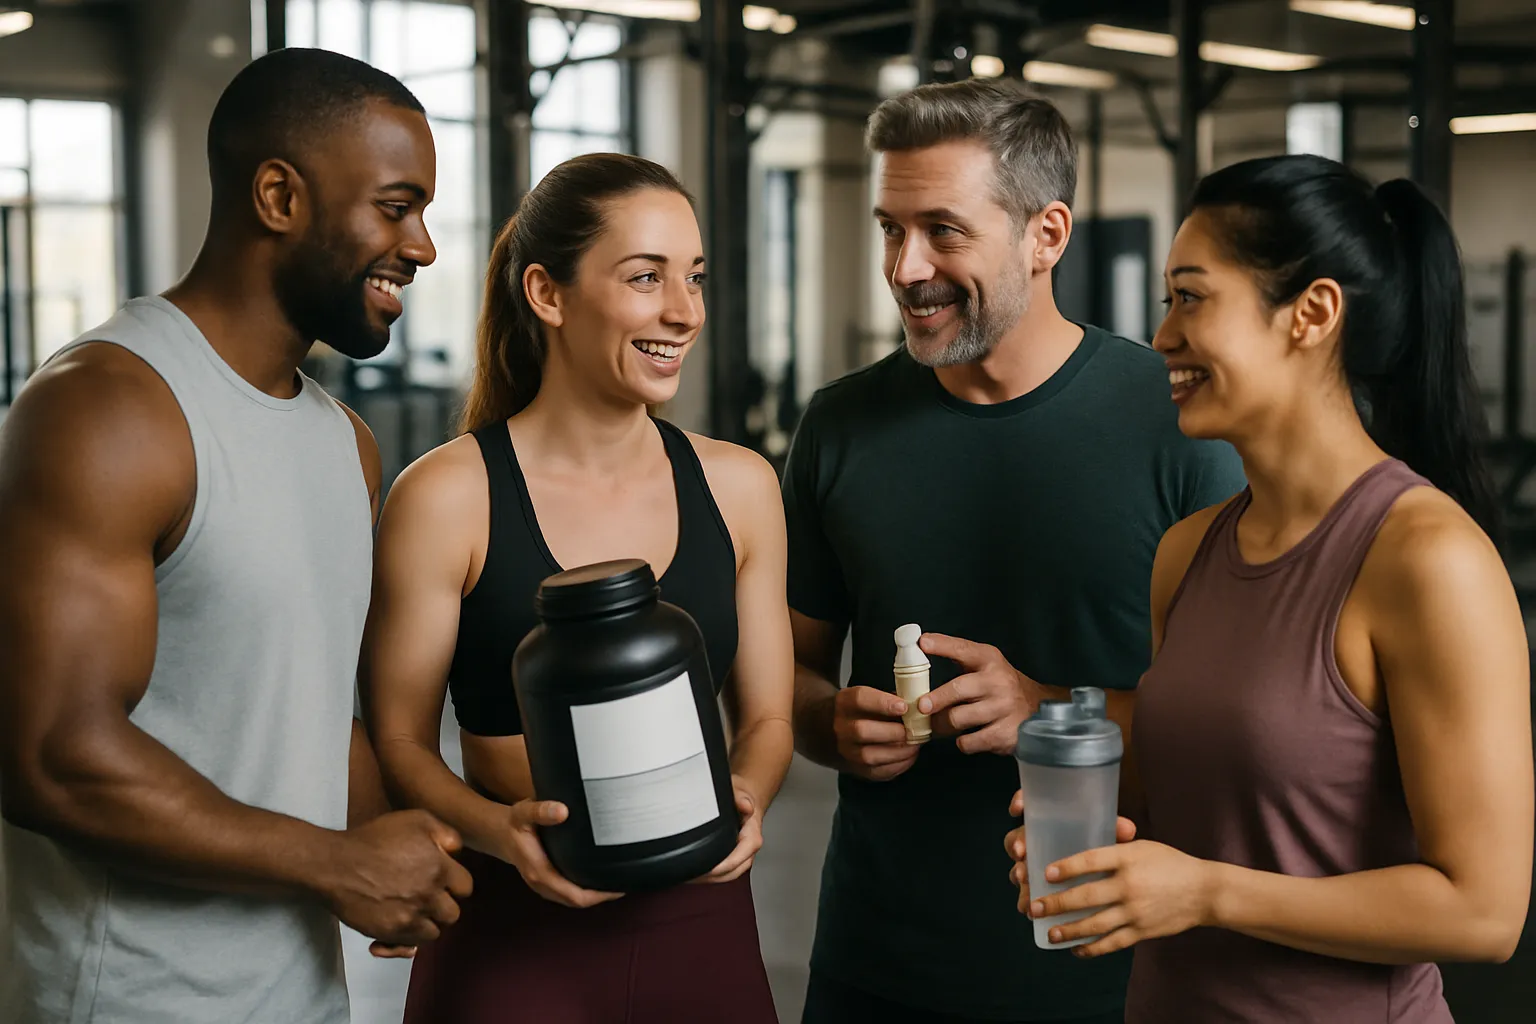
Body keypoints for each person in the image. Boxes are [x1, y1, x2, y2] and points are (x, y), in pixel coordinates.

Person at [0, 48, 485, 1024]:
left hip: (301, 995)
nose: (424, 246)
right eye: (396, 206)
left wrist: (411, 841)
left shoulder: (343, 441)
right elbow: (51, 754)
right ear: (278, 195)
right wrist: (337, 861)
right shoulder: (107, 409)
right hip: (127, 1002)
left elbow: (308, 712)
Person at [1006, 155, 1533, 1021]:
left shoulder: (1428, 560)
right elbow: (1216, 809)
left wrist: (1207, 893)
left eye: (1191, 297)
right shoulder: (1188, 551)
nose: (1162, 335)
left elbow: (1483, 909)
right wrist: (1092, 839)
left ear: (1312, 314)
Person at [782, 78, 1247, 1023]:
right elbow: (788, 679)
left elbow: (1237, 726)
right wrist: (827, 723)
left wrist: (1051, 709)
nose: (907, 267)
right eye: (889, 228)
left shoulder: (1179, 421)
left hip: (1105, 968)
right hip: (877, 962)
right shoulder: (840, 426)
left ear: (1047, 235)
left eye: (944, 231)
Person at [360, 152, 791, 1023]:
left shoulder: (740, 486)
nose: (683, 311)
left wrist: (748, 797)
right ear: (547, 295)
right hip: (515, 927)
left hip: (699, 914)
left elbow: (770, 719)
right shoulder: (447, 497)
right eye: (645, 278)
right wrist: (502, 837)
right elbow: (399, 742)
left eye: (694, 278)